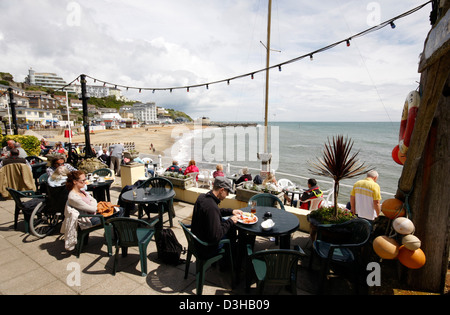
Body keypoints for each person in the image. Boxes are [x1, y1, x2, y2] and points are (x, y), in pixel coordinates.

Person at [191, 176, 243, 259]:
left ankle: (229, 257)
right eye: (227, 192)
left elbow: (215, 212)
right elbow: (216, 236)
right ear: (221, 190)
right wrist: (230, 221)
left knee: (228, 225)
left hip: (197, 240)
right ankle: (230, 260)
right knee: (231, 231)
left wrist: (231, 211)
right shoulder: (212, 207)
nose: (227, 195)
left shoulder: (203, 197)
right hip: (206, 248)